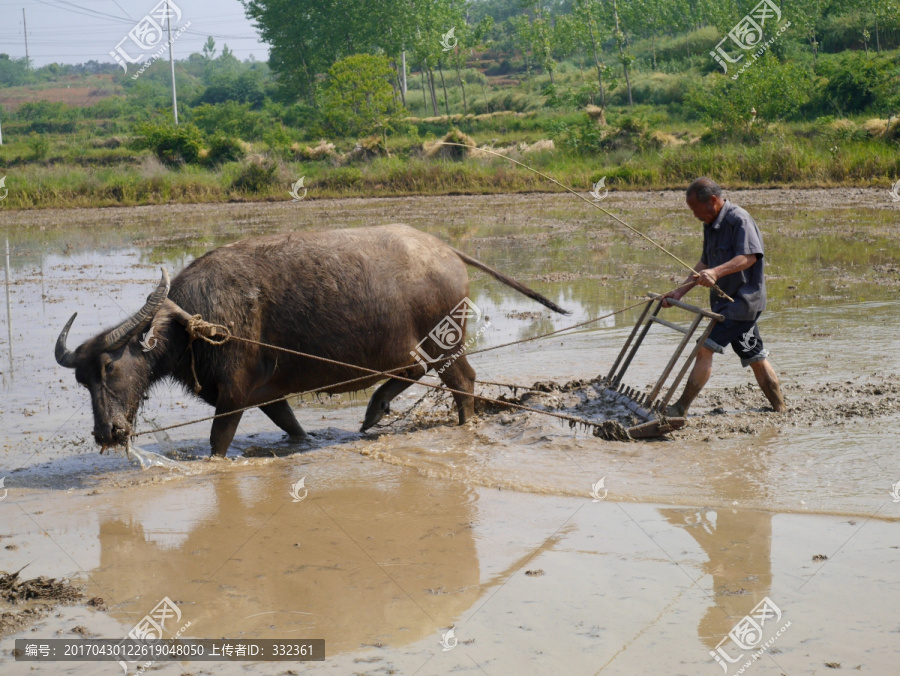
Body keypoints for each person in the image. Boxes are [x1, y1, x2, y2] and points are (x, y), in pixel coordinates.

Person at [662, 177, 785, 416]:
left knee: (704, 349)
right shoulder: (710, 224)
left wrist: (716, 273)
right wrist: (680, 291)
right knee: (754, 355)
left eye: (695, 209)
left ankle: (680, 409)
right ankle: (780, 408)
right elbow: (705, 262)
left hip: (741, 303)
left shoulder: (739, 220)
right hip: (726, 303)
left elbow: (749, 257)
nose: (694, 215)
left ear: (713, 201)